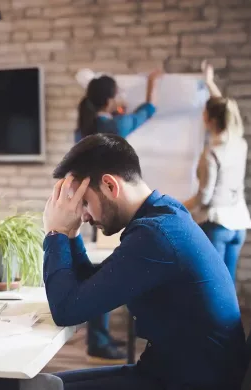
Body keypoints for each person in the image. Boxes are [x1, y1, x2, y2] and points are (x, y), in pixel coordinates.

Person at [42, 133, 247, 390]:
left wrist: (55, 233)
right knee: (48, 384)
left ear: (109, 185)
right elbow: (88, 288)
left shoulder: (156, 236)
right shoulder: (163, 215)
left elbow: (66, 310)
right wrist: (70, 235)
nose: (82, 215)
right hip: (173, 372)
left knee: (43, 388)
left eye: (85, 202)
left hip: (187, 382)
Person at [74, 70, 162, 363]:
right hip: (100, 207)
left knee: (95, 271)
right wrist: (151, 84)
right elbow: (143, 115)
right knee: (102, 274)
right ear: (110, 99)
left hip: (83, 207)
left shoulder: (85, 127)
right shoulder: (111, 127)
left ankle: (99, 338)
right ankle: (98, 341)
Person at [183, 62, 251, 284]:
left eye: (204, 113)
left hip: (216, 225)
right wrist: (209, 82)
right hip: (238, 224)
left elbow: (204, 197)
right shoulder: (239, 142)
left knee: (212, 286)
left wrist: (176, 205)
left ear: (210, 120)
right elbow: (225, 109)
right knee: (227, 287)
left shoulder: (212, 153)